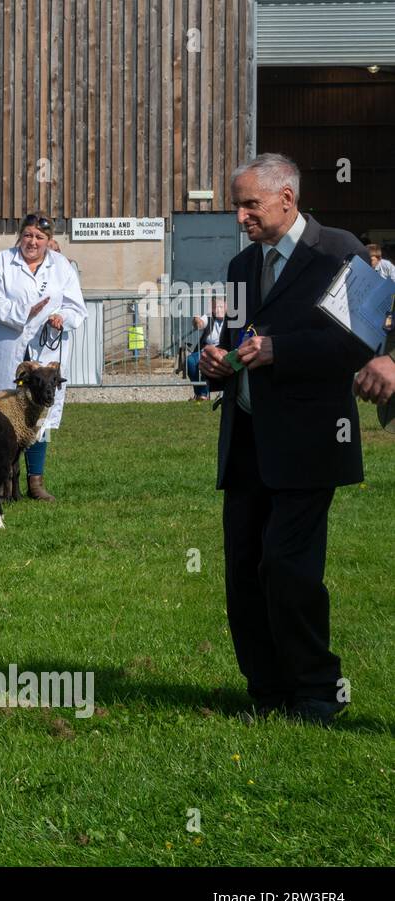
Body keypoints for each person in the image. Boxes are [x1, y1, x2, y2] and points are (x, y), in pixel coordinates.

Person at [198, 152, 374, 726]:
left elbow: (360, 343)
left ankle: (319, 692)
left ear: (286, 199)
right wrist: (218, 360)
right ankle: (266, 692)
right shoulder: (241, 266)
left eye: (250, 204)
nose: (241, 216)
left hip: (310, 442)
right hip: (247, 439)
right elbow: (237, 334)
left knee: (288, 568)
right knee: (244, 570)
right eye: (237, 206)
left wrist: (281, 350)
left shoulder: (338, 250)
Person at [0, 213, 87, 501]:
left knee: (42, 413)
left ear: (48, 240)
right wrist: (25, 311)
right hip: (8, 344)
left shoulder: (61, 266)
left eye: (39, 237)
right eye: (28, 235)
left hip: (45, 347)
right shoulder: (1, 262)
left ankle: (36, 482)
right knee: (3, 413)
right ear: (20, 236)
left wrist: (61, 316)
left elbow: (76, 306)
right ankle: (1, 480)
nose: (33, 241)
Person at [186, 297, 228, 400]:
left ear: (227, 307)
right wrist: (196, 319)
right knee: (190, 361)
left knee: (213, 362)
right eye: (215, 307)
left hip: (225, 351)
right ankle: (201, 394)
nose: (218, 310)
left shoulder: (233, 319)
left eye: (221, 307)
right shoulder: (209, 317)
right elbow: (199, 324)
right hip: (207, 349)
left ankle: (220, 393)